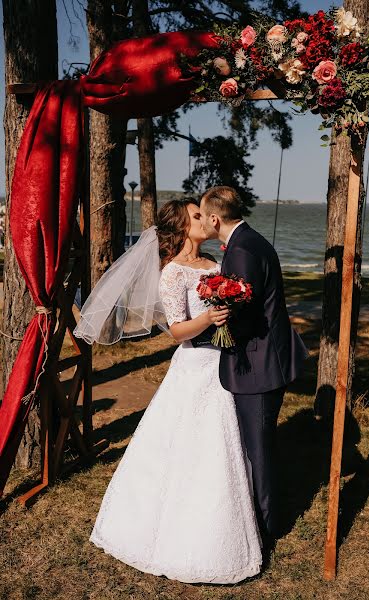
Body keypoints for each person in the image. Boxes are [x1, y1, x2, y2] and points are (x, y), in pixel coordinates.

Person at [73, 199, 263, 584]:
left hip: (221, 364)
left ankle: (219, 527)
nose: (203, 220)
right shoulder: (173, 273)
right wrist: (208, 318)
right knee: (183, 447)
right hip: (195, 366)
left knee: (219, 446)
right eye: (196, 216)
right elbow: (176, 330)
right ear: (181, 226)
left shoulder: (214, 264)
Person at [198, 185, 309, 548]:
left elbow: (245, 311)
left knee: (258, 447)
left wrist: (218, 323)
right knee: (256, 443)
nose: (201, 221)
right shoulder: (252, 240)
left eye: (202, 215)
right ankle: (262, 516)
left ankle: (266, 529)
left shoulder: (242, 249)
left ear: (215, 218)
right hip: (265, 358)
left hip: (259, 364)